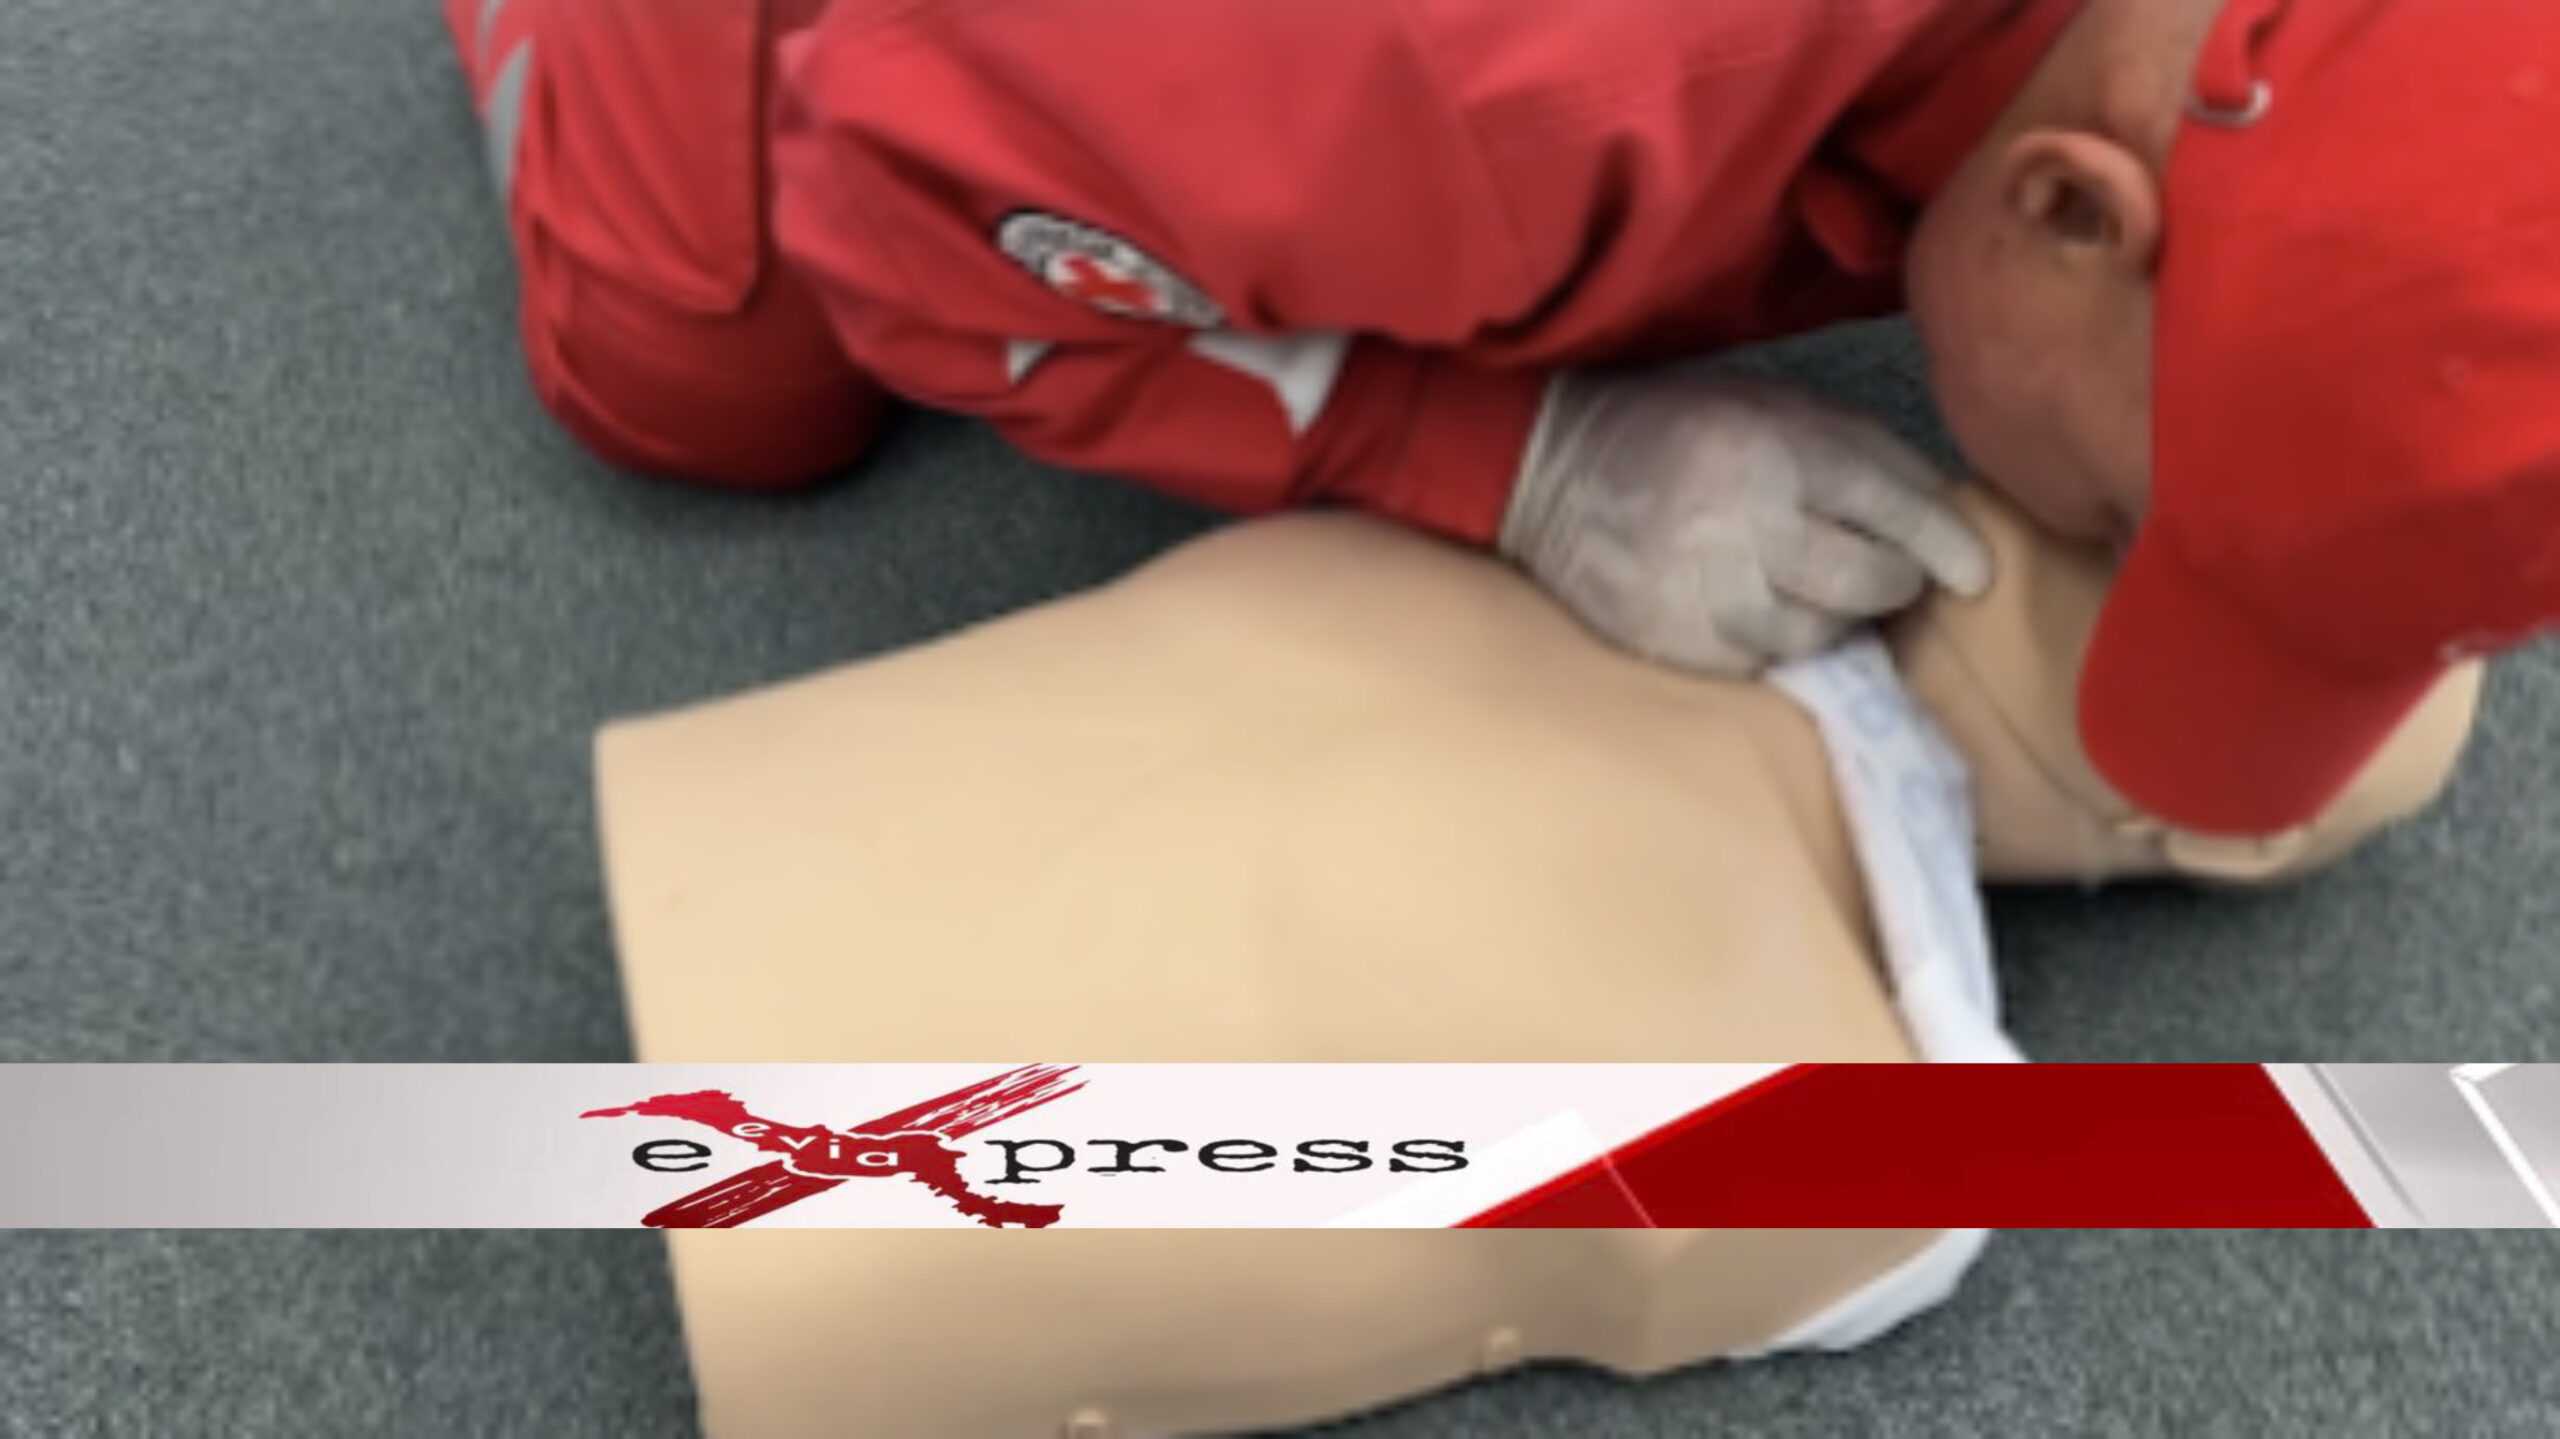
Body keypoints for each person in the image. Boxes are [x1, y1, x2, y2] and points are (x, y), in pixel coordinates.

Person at [447, 0, 2560, 836]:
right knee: (694, 369)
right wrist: (1511, 458)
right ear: (2069, 213)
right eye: (2120, 507)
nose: (2083, 543)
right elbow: (899, 209)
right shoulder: (1442, 66)